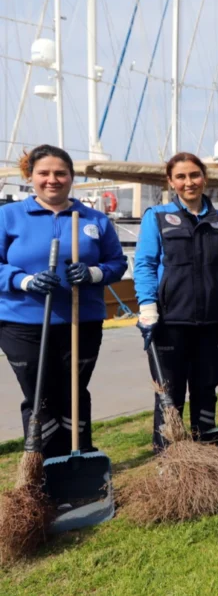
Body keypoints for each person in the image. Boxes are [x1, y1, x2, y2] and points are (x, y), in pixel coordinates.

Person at [0, 145, 127, 457]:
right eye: (44, 173)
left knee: (74, 392)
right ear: (30, 176)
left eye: (61, 173)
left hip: (79, 320)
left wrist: (94, 274)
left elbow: (117, 263)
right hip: (22, 322)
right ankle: (43, 462)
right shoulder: (8, 216)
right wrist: (24, 280)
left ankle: (79, 456)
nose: (52, 179)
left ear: (72, 177)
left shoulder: (94, 219)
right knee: (40, 393)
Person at [133, 152, 218, 452]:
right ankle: (168, 458)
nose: (189, 182)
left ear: (204, 178)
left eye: (194, 175)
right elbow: (145, 264)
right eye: (181, 177)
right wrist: (147, 307)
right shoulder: (156, 217)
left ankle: (206, 451)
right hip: (170, 322)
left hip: (212, 322)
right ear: (171, 181)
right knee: (169, 396)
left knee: (206, 391)